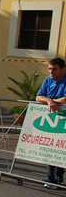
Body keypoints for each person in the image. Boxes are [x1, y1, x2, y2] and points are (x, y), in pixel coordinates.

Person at [36, 57, 66, 189]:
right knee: (51, 149)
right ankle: (52, 178)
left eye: (54, 69)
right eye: (49, 69)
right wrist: (49, 101)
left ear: (63, 70)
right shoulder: (48, 80)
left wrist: (54, 101)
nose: (51, 72)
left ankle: (58, 178)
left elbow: (65, 99)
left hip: (63, 120)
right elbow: (38, 97)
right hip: (52, 120)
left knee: (61, 150)